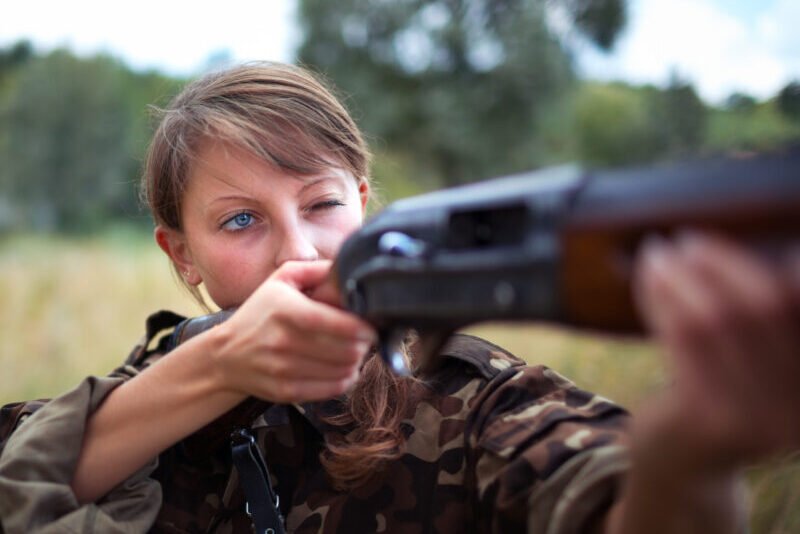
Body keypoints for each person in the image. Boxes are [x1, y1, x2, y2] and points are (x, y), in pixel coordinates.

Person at [0, 62, 799, 534]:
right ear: (183, 258)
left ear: (365, 202)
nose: (300, 249)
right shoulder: (138, 399)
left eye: (322, 204)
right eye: (240, 220)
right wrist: (215, 371)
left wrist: (687, 456)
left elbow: (614, 501)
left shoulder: (472, 400)